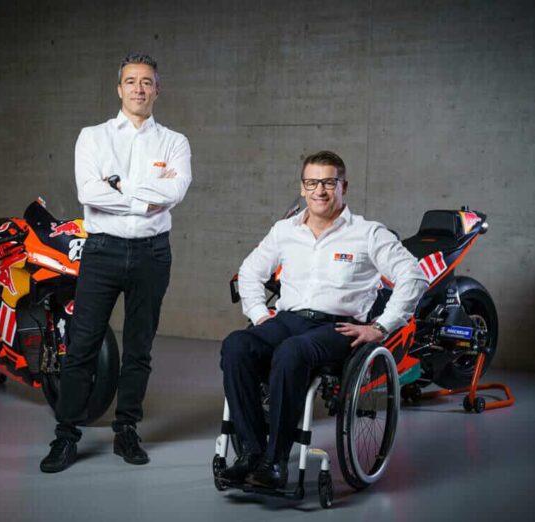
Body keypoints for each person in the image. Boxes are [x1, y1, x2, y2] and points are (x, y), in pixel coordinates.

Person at [219, 150, 428, 489]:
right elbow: (250, 272)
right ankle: (252, 454)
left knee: (292, 352)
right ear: (302, 188)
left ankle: (275, 464)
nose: (320, 190)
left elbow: (414, 277)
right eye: (312, 183)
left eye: (329, 182)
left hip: (338, 327)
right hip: (288, 320)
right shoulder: (284, 231)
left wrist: (381, 326)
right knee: (236, 346)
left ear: (344, 186)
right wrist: (259, 315)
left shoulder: (368, 233)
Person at [40, 52, 192, 473]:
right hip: (102, 251)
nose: (139, 89)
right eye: (131, 81)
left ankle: (126, 430)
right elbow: (89, 192)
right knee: (82, 345)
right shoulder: (93, 137)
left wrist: (120, 187)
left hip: (152, 254)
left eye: (146, 82)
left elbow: (176, 191)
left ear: (157, 89)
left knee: (139, 348)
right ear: (118, 88)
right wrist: (146, 196)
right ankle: (66, 435)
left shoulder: (175, 142)